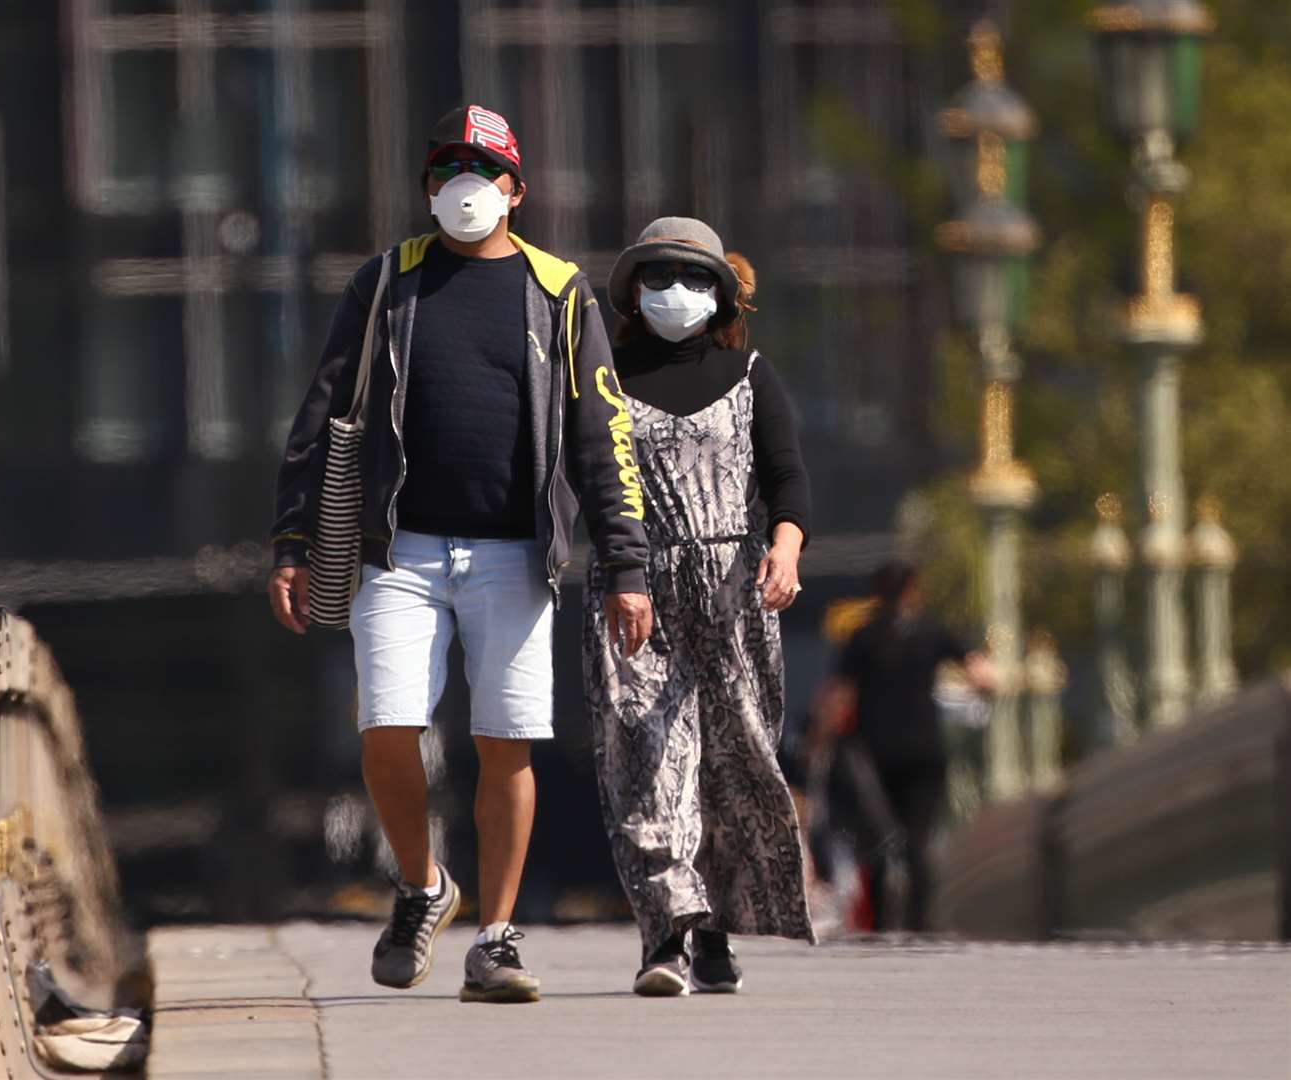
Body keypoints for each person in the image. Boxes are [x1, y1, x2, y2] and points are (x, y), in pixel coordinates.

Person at [268, 105, 653, 1004]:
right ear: (427, 188)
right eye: (447, 170)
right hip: (396, 551)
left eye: (483, 170)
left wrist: (625, 567)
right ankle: (423, 883)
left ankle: (497, 936)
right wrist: (290, 541)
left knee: (505, 743)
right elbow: (319, 417)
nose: (464, 186)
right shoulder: (386, 285)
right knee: (387, 725)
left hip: (517, 555)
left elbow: (604, 437)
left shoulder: (561, 292)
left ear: (517, 189)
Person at [584, 216, 813, 997]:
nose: (673, 294)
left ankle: (713, 927)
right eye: (656, 279)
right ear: (632, 291)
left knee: (729, 761)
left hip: (732, 591)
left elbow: (786, 480)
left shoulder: (750, 376)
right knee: (647, 763)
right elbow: (579, 481)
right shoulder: (603, 379)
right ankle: (665, 934)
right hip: (634, 591)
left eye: (690, 279)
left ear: (718, 294)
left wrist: (783, 551)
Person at [816, 561, 994, 932]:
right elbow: (982, 676)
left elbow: (840, 697)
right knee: (918, 841)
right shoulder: (933, 632)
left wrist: (821, 741)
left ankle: (880, 924)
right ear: (914, 590)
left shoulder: (862, 637)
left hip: (875, 754)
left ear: (877, 593)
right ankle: (920, 923)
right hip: (924, 750)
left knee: (878, 842)